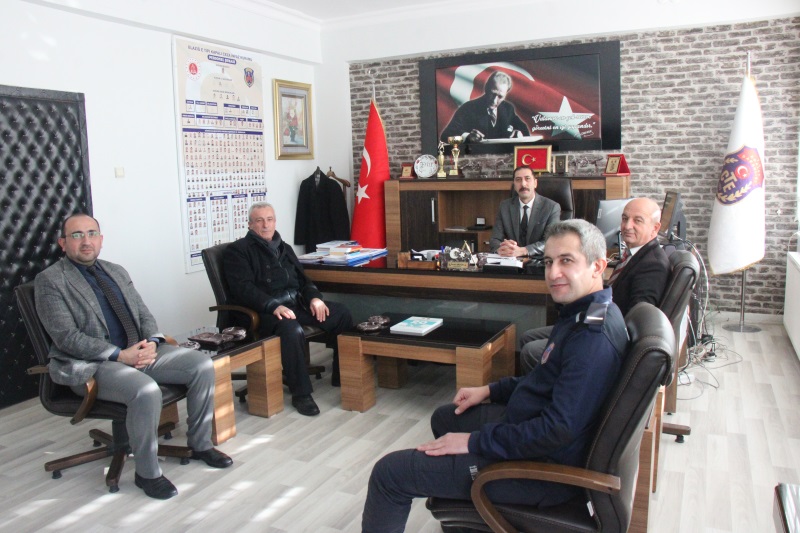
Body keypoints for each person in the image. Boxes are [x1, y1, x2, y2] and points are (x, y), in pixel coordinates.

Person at [361, 219, 628, 532]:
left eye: (566, 261)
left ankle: (475, 492)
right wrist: (489, 390)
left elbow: (555, 430)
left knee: (389, 473)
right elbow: (544, 381)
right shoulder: (582, 311)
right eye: (548, 262)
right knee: (446, 417)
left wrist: (475, 442)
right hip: (533, 436)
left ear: (598, 266)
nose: (553, 273)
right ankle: (469, 518)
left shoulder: (591, 338)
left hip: (539, 471)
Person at [34, 214, 232, 500]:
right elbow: (67, 337)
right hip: (93, 364)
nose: (86, 241)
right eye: (77, 235)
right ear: (62, 243)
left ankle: (200, 444)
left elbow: (143, 313)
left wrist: (152, 342)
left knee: (201, 365)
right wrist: (119, 355)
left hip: (136, 352)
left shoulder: (115, 270)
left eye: (92, 233)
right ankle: (147, 473)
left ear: (101, 239)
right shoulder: (51, 280)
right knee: (145, 390)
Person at [223, 202, 353, 416]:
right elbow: (243, 289)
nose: (266, 225)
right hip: (263, 312)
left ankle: (342, 375)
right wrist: (273, 305)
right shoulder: (238, 251)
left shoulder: (284, 247)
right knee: (291, 329)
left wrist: (314, 298)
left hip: (295, 304)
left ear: (275, 221)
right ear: (250, 224)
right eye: (259, 221)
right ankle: (301, 394)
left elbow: (303, 280)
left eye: (269, 219)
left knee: (341, 314)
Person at [519, 197, 670, 373]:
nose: (627, 226)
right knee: (527, 337)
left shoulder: (653, 264)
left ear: (655, 228)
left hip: (604, 332)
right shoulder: (633, 254)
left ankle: (541, 386)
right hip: (594, 316)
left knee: (531, 351)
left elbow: (636, 318)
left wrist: (586, 323)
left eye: (637, 221)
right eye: (624, 218)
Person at [490, 165, 561, 257]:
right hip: (511, 260)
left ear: (535, 183)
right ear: (514, 185)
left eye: (527, 179)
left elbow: (552, 241)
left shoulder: (551, 207)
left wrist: (524, 251)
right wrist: (502, 249)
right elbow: (495, 239)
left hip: (539, 261)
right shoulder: (505, 206)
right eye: (518, 180)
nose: (523, 184)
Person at [440, 70, 530, 143]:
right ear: (486, 88)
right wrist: (467, 137)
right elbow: (445, 137)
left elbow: (524, 131)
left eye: (500, 96)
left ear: (506, 94)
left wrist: (519, 134)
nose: (494, 100)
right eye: (492, 94)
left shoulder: (508, 109)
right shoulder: (468, 108)